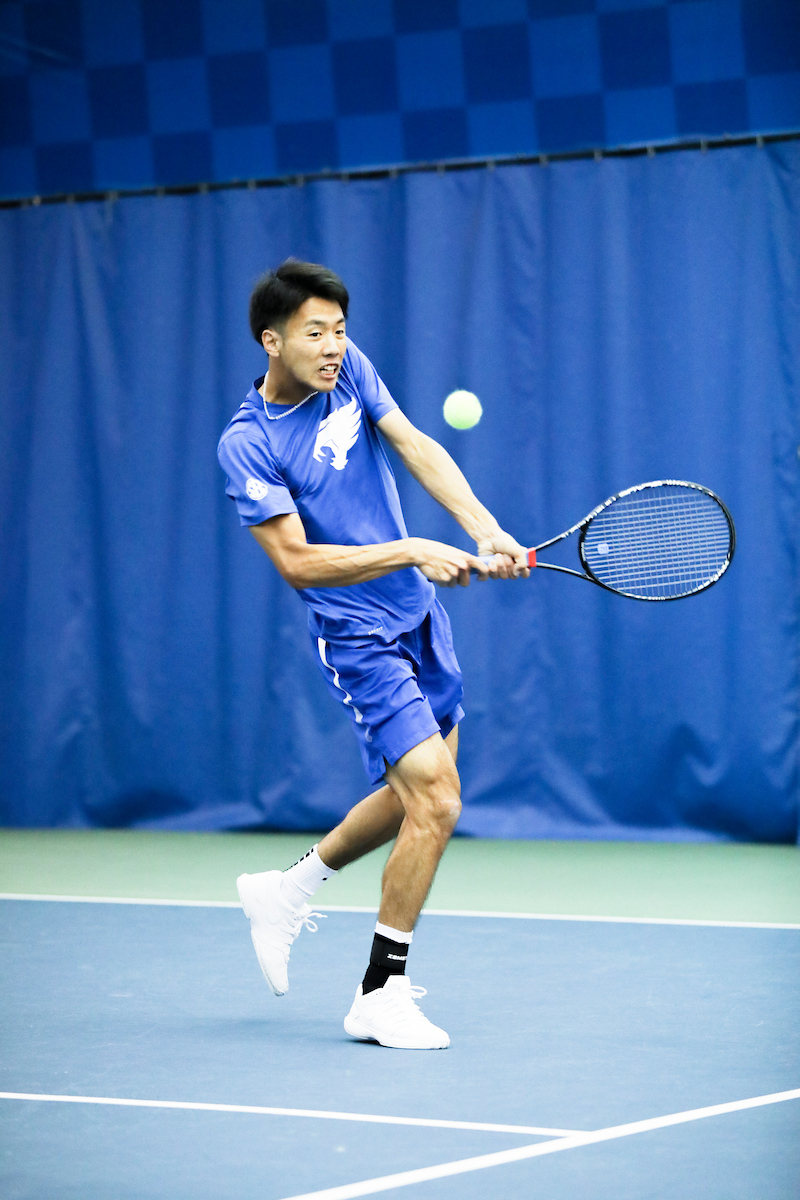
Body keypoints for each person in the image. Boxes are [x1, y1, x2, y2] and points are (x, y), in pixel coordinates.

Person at [217, 259, 528, 1050]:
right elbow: (296, 563)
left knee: (414, 796)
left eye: (340, 331)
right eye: (315, 333)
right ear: (272, 339)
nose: (333, 346)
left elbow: (416, 444)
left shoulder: (350, 371)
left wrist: (482, 527)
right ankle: (379, 992)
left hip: (419, 616)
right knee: (438, 801)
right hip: (358, 635)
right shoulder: (248, 445)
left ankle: (289, 888)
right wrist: (413, 547)